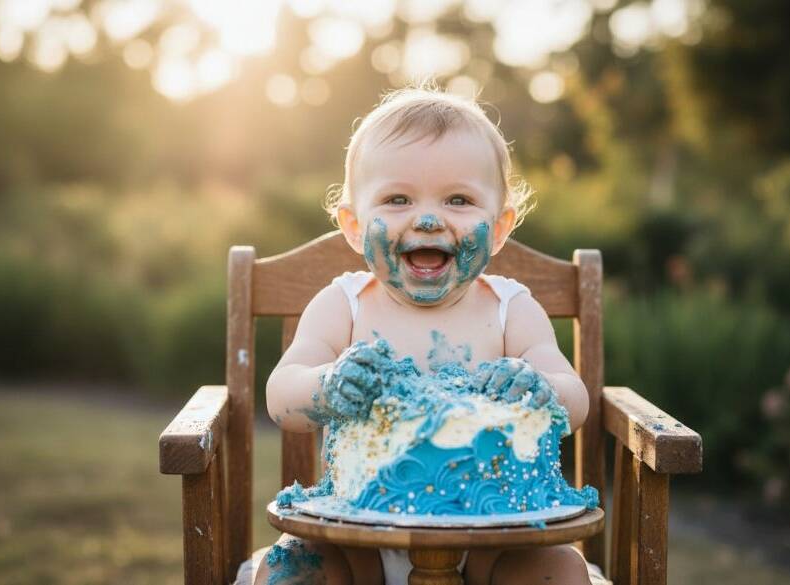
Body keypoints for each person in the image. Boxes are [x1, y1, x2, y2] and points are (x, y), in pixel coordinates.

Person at [243, 83, 597, 585]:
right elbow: (281, 396)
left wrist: (539, 388)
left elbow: (574, 400)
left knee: (558, 569)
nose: (428, 219)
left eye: (458, 199)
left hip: (493, 540)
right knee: (289, 569)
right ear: (354, 225)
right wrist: (329, 385)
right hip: (354, 534)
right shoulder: (342, 305)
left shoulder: (510, 311)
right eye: (397, 198)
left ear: (498, 229)